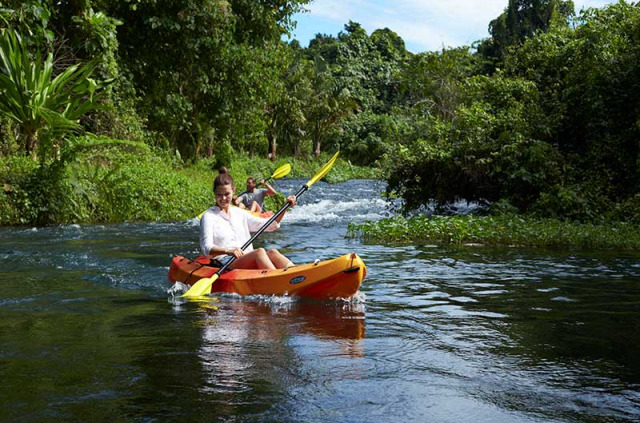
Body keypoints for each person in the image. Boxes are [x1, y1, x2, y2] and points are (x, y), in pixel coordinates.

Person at [200, 167, 296, 270]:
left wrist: (285, 207)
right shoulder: (208, 216)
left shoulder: (239, 213)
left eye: (227, 194)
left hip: (247, 257)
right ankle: (281, 281)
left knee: (273, 252)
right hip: (225, 261)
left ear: (233, 191)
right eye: (219, 194)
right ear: (214, 193)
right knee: (259, 252)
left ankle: (296, 274)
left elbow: (269, 225)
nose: (223, 198)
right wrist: (228, 251)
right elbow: (207, 247)